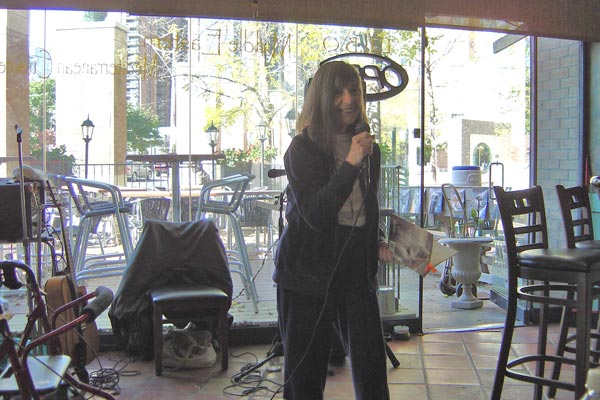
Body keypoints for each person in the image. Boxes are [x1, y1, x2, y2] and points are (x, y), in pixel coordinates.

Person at [274, 60, 394, 399]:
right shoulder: (302, 149)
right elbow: (316, 213)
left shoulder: (370, 149)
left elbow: (364, 204)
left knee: (372, 365)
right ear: (321, 98)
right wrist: (351, 162)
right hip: (307, 269)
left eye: (354, 91)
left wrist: (378, 239)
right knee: (305, 376)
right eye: (338, 92)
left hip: (355, 263)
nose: (348, 100)